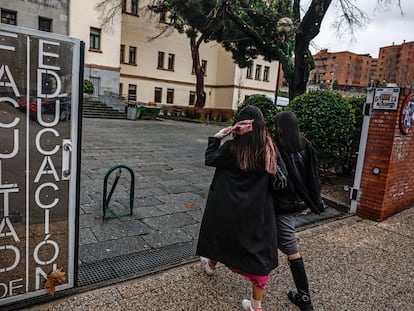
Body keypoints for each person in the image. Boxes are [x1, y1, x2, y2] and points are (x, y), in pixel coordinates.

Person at [196, 105, 279, 311]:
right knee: (258, 254)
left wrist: (218, 137)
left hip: (227, 207)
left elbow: (210, 159)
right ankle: (256, 305)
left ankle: (211, 265)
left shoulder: (231, 149)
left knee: (220, 236)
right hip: (257, 211)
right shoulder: (269, 150)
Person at [272, 111, 325, 311]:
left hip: (283, 205)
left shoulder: (277, 148)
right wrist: (314, 203)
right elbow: (314, 176)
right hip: (299, 203)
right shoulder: (307, 145)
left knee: (291, 248)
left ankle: (305, 299)